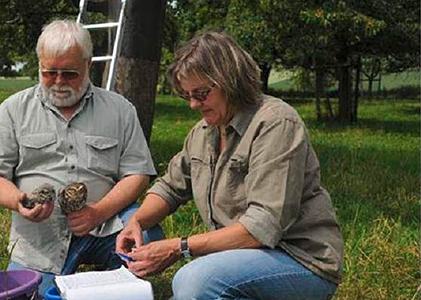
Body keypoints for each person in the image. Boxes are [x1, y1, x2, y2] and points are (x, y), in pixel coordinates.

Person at [116, 31, 343, 300]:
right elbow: (170, 187)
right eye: (186, 95)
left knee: (195, 280)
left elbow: (262, 227)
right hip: (240, 257)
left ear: (230, 80)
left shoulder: (275, 123)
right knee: (188, 281)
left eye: (201, 93)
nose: (192, 104)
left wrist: (179, 248)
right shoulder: (203, 131)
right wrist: (138, 221)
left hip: (299, 259)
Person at [0, 20, 163, 296]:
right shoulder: (13, 110)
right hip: (41, 238)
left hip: (106, 225)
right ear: (39, 65)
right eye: (49, 72)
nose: (58, 82)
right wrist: (18, 202)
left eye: (70, 74)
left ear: (89, 65)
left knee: (146, 234)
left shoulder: (120, 110)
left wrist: (98, 212)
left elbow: (137, 173)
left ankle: (116, 282)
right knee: (33, 294)